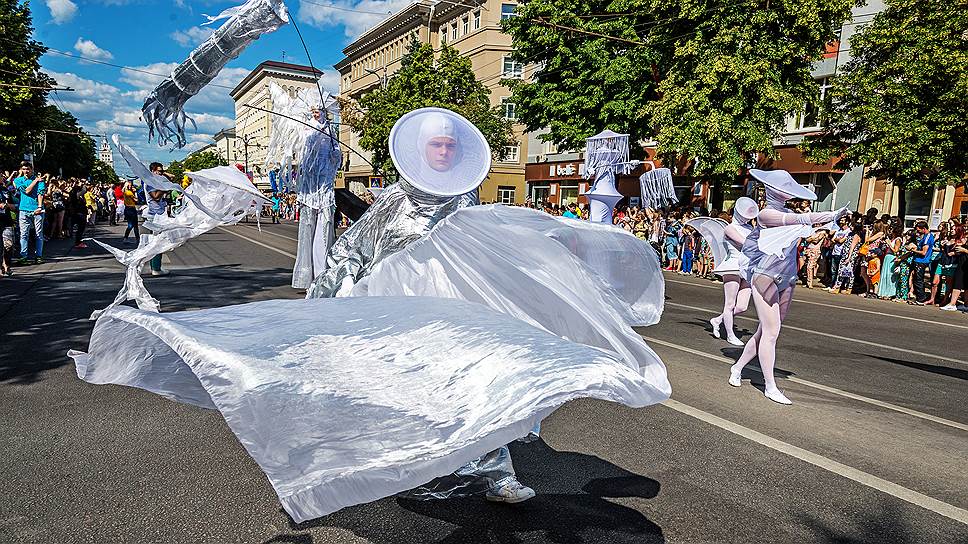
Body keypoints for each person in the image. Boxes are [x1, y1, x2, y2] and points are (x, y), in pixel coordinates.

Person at [729, 169, 849, 405]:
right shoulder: (766, 214)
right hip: (765, 276)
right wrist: (830, 214)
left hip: (788, 278)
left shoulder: (788, 212)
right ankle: (770, 386)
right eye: (781, 187)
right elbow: (799, 220)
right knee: (772, 332)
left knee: (766, 331)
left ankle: (738, 367)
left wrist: (829, 228)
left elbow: (809, 234)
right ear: (771, 190)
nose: (786, 192)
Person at [697, 197, 758, 346]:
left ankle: (718, 320)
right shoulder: (730, 228)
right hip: (733, 266)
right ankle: (730, 335)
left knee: (742, 306)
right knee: (730, 304)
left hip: (747, 267)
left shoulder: (751, 228)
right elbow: (746, 244)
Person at [13, 162, 46, 265]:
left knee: (38, 234)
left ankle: (39, 256)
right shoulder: (18, 180)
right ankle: (23, 257)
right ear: (21, 170)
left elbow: (40, 194)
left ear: (32, 169)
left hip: (37, 210)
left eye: (28, 169)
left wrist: (39, 207)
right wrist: (36, 180)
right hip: (23, 210)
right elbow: (26, 191)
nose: (26, 171)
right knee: (24, 234)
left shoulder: (40, 180)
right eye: (24, 169)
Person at [146, 162, 172, 276]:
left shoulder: (156, 181)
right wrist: (164, 188)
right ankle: (156, 269)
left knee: (157, 242)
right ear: (153, 171)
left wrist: (163, 175)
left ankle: (156, 267)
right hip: (155, 217)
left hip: (159, 216)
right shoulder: (150, 183)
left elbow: (172, 177)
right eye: (159, 171)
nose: (161, 173)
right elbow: (156, 197)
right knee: (158, 243)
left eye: (162, 171)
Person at [910, 220, 934, 304]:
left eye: (919, 230)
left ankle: (921, 298)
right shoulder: (925, 236)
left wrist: (913, 250)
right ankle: (919, 297)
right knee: (917, 279)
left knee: (918, 280)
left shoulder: (927, 237)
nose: (918, 232)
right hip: (919, 260)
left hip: (921, 261)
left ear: (924, 229)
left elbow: (924, 252)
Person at [0, 187, 15, 275]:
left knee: (9, 245)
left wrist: (7, 205)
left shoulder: (5, 190)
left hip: (7, 221)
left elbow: (13, 206)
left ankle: (7, 265)